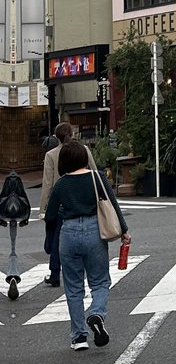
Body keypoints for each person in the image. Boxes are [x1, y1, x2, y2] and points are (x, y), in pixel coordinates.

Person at [44, 139, 129, 351]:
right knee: (100, 281)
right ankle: (96, 313)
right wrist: (124, 231)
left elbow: (51, 215)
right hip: (95, 231)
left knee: (73, 288)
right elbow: (113, 204)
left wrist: (65, 212)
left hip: (69, 233)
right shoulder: (97, 177)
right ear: (84, 157)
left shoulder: (61, 184)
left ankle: (79, 337)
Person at [39, 122, 97, 288]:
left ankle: (55, 273)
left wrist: (43, 208)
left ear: (56, 137)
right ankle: (89, 272)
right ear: (72, 134)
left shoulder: (51, 155)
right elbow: (93, 171)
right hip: (85, 199)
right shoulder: (83, 150)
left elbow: (47, 183)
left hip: (60, 202)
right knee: (90, 233)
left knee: (57, 238)